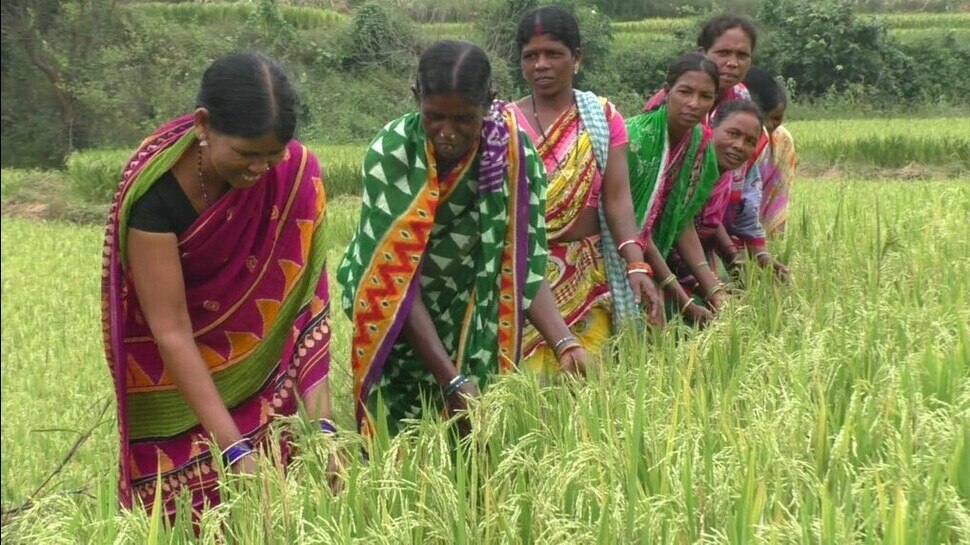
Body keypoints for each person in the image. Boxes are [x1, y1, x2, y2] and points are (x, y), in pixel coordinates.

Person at [101, 53, 335, 515]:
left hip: (264, 375)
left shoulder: (295, 175)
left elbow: (305, 303)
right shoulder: (155, 196)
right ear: (203, 125)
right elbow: (170, 329)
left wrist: (324, 430)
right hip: (175, 374)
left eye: (273, 155)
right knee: (181, 518)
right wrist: (234, 450)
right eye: (246, 154)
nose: (260, 169)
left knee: (277, 517)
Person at [336, 40, 586, 437]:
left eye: (464, 119)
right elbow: (393, 281)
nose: (447, 133)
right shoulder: (393, 153)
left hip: (475, 328)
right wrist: (450, 379)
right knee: (400, 442)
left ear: (488, 103)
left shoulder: (513, 157)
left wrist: (565, 343)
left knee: (476, 449)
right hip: (399, 325)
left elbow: (521, 261)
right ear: (416, 98)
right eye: (434, 117)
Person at [507, 6, 662, 372]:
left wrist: (635, 263)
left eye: (553, 53)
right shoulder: (504, 124)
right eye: (530, 56)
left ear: (576, 58)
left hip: (588, 275)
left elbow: (617, 200)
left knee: (593, 379)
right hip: (524, 276)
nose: (541, 65)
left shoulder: (602, 118)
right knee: (530, 385)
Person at [625, 52, 723, 326]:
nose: (694, 103)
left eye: (705, 96)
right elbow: (635, 226)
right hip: (618, 250)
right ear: (667, 92)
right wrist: (684, 300)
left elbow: (682, 222)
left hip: (656, 254)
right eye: (685, 92)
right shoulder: (636, 140)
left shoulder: (699, 144)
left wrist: (715, 291)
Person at [644, 14, 758, 116]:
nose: (733, 63)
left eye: (742, 55)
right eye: (723, 53)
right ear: (702, 53)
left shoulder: (740, 95)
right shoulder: (668, 101)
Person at [744, 67, 797, 237]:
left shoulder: (781, 141)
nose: (768, 125)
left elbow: (778, 195)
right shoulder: (724, 137)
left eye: (776, 118)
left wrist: (776, 246)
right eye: (762, 118)